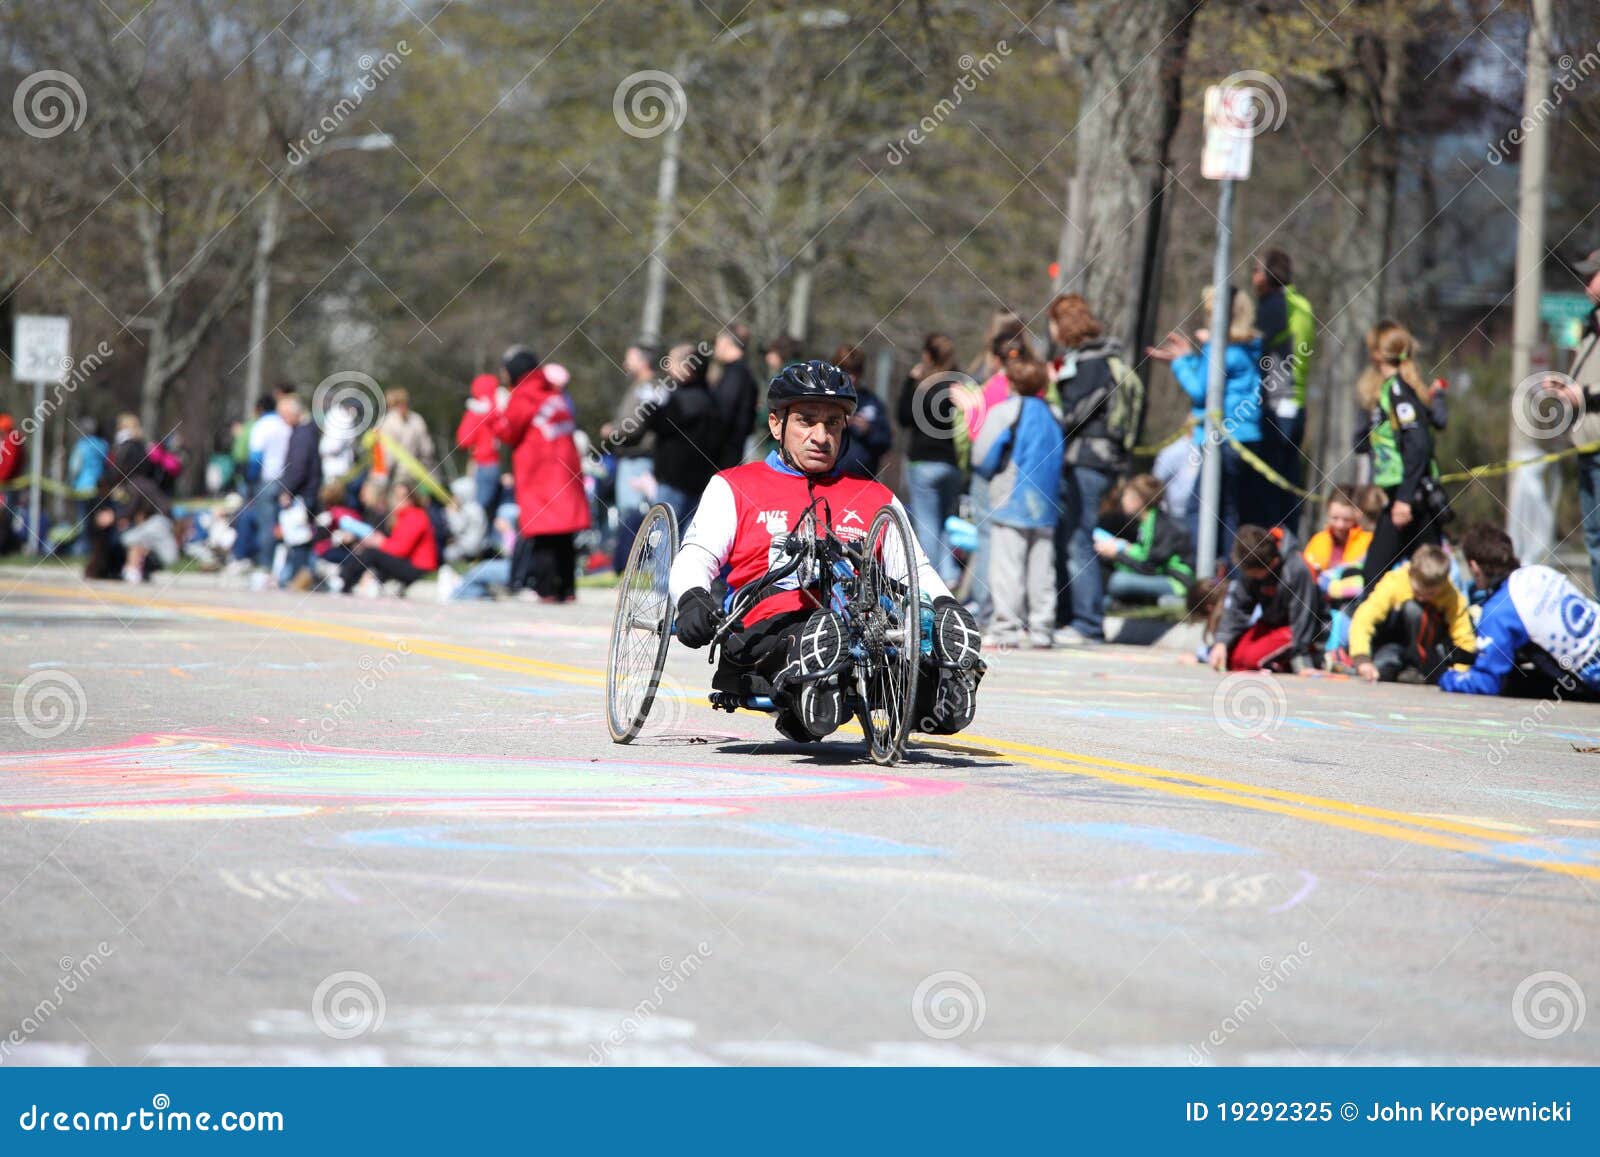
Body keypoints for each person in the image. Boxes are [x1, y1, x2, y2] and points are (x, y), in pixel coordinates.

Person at [668, 360, 983, 744]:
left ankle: (940, 687)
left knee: (902, 652)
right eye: (806, 421)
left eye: (833, 423)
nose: (821, 435)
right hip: (768, 626)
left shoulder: (875, 496)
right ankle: (815, 683)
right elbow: (696, 556)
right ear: (775, 425)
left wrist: (946, 604)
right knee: (808, 636)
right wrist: (691, 598)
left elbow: (913, 569)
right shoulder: (734, 485)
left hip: (862, 630)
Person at [1051, 292, 1145, 643]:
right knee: (1073, 536)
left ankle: (1087, 623)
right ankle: (1073, 617)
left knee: (1078, 540)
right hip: (1101, 461)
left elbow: (1074, 415)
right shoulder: (1105, 357)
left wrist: (1051, 394)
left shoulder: (1089, 363)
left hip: (1087, 461)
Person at [1150, 286, 1264, 556]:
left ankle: (1208, 576)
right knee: (1229, 510)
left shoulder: (1221, 349)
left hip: (1223, 439)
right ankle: (1228, 575)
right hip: (1245, 437)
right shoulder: (1248, 348)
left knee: (1199, 508)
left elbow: (1203, 391)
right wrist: (1194, 357)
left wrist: (1181, 362)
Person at [1440, 524, 1600, 697]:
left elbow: (1487, 683)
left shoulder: (1498, 611)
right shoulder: (1539, 572)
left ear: (1474, 567)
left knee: (1510, 683)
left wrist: (1447, 677)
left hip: (1591, 681)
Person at [972, 354, 1063, 649]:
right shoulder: (1055, 414)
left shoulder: (1005, 412)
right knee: (1042, 568)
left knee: (1007, 567)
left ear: (1011, 381)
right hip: (1047, 500)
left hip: (1011, 497)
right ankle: (1042, 628)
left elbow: (983, 457)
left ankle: (1006, 629)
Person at [492, 346, 590, 602]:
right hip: (565, 471)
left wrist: (496, 410)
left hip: (541, 474)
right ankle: (567, 590)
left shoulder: (523, 395)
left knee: (544, 533)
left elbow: (507, 432)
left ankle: (546, 590)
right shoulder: (553, 394)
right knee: (565, 535)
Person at [1354, 323, 1445, 589]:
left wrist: (1404, 500)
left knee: (1374, 576)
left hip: (1410, 497)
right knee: (1427, 575)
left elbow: (1417, 444)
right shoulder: (1389, 390)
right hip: (1402, 494)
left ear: (1377, 354)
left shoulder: (1397, 390)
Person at [617, 341, 722, 525]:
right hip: (693, 480)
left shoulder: (687, 400)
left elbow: (661, 424)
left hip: (677, 481)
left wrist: (650, 406)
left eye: (672, 362)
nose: (668, 368)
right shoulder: (708, 397)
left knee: (663, 538)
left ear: (687, 368)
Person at [1547, 248, 1600, 597]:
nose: (1585, 283)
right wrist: (1564, 387)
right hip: (1586, 446)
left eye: (1592, 275)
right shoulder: (1588, 326)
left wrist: (1585, 393)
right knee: (1594, 538)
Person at [1345, 544, 1474, 684]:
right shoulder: (1395, 581)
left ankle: (1417, 668)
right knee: (1379, 671)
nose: (1423, 598)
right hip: (1395, 643)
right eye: (1418, 592)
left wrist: (1461, 671)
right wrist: (1362, 658)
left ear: (1443, 584)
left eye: (1431, 594)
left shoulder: (1451, 595)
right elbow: (1364, 618)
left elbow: (1463, 635)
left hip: (1430, 651)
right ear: (1410, 573)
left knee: (1415, 610)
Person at [1253, 249, 1316, 530]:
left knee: (1269, 489)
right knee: (1287, 483)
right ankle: (1288, 544)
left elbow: (1254, 341)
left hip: (1278, 404)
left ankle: (1271, 552)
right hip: (1296, 403)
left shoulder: (1277, 304)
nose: (1253, 279)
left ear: (1268, 276)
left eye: (1256, 271)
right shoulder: (1303, 303)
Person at [896, 333, 965, 586]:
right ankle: (949, 575)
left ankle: (931, 580)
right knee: (944, 522)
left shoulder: (923, 386)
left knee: (926, 523)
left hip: (923, 461)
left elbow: (903, 417)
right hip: (951, 463)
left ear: (927, 355)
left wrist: (909, 380)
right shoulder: (956, 385)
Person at [1210, 525, 1326, 673]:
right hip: (1270, 624)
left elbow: (1304, 616)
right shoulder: (1251, 565)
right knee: (1233, 658)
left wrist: (1302, 661)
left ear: (1273, 563)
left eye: (1256, 574)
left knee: (1250, 661)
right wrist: (1221, 642)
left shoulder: (1297, 569)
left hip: (1299, 631)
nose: (1253, 578)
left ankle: (1301, 660)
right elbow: (1237, 607)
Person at [602, 342, 661, 572]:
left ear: (644, 361)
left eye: (631, 358)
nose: (626, 363)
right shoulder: (641, 385)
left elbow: (637, 424)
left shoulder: (647, 388)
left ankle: (634, 568)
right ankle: (630, 566)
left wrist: (613, 431)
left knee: (633, 513)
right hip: (634, 457)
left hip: (638, 457)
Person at [1097, 474, 1194, 607]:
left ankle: (1168, 600)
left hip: (1175, 582)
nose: (1122, 501)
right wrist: (1126, 547)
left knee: (1118, 581)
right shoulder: (1146, 522)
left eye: (1126, 496)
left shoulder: (1161, 525)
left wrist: (1117, 555)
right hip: (1159, 576)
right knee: (1105, 600)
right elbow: (1146, 553)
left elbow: (1150, 567)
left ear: (1139, 500)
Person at [337, 486, 438, 596]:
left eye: (401, 498)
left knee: (372, 554)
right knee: (371, 554)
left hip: (420, 569)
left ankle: (344, 580)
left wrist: (380, 542)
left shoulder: (415, 516)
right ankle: (355, 582)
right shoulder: (405, 516)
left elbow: (401, 550)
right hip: (411, 564)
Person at [276, 394, 323, 588]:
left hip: (302, 493)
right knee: (303, 537)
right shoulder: (308, 431)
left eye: (284, 415)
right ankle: (301, 576)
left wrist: (288, 490)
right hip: (307, 491)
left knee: (299, 539)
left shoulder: (302, 434)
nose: (283, 420)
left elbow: (298, 466)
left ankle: (298, 578)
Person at [246, 391, 292, 571]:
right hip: (285, 480)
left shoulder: (261, 426)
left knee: (266, 524)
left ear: (260, 409)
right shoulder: (285, 425)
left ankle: (265, 564)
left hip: (266, 480)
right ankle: (284, 566)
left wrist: (251, 479)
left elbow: (256, 456)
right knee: (284, 524)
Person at [831, 344, 893, 478]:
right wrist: (835, 423)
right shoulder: (826, 400)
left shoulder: (872, 402)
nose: (851, 378)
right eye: (845, 371)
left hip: (862, 478)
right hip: (828, 477)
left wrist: (868, 431)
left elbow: (885, 441)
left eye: (855, 372)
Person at [455, 374, 504, 513]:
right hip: (495, 463)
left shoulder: (476, 410)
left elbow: (464, 439)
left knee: (477, 509)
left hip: (480, 464)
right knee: (491, 509)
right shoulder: (499, 408)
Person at [711, 325, 758, 469]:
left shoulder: (735, 374)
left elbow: (724, 410)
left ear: (726, 342)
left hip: (726, 453)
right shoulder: (743, 373)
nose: (715, 348)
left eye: (717, 343)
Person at [374, 387, 436, 495]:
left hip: (397, 477)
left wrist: (380, 479)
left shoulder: (387, 422)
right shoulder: (417, 419)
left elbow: (386, 456)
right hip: (419, 473)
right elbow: (428, 449)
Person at [68, 418, 109, 555]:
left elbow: (75, 467)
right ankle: (94, 549)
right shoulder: (103, 445)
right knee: (96, 522)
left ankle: (82, 549)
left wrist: (71, 482)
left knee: (83, 520)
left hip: (82, 488)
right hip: (99, 488)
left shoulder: (82, 445)